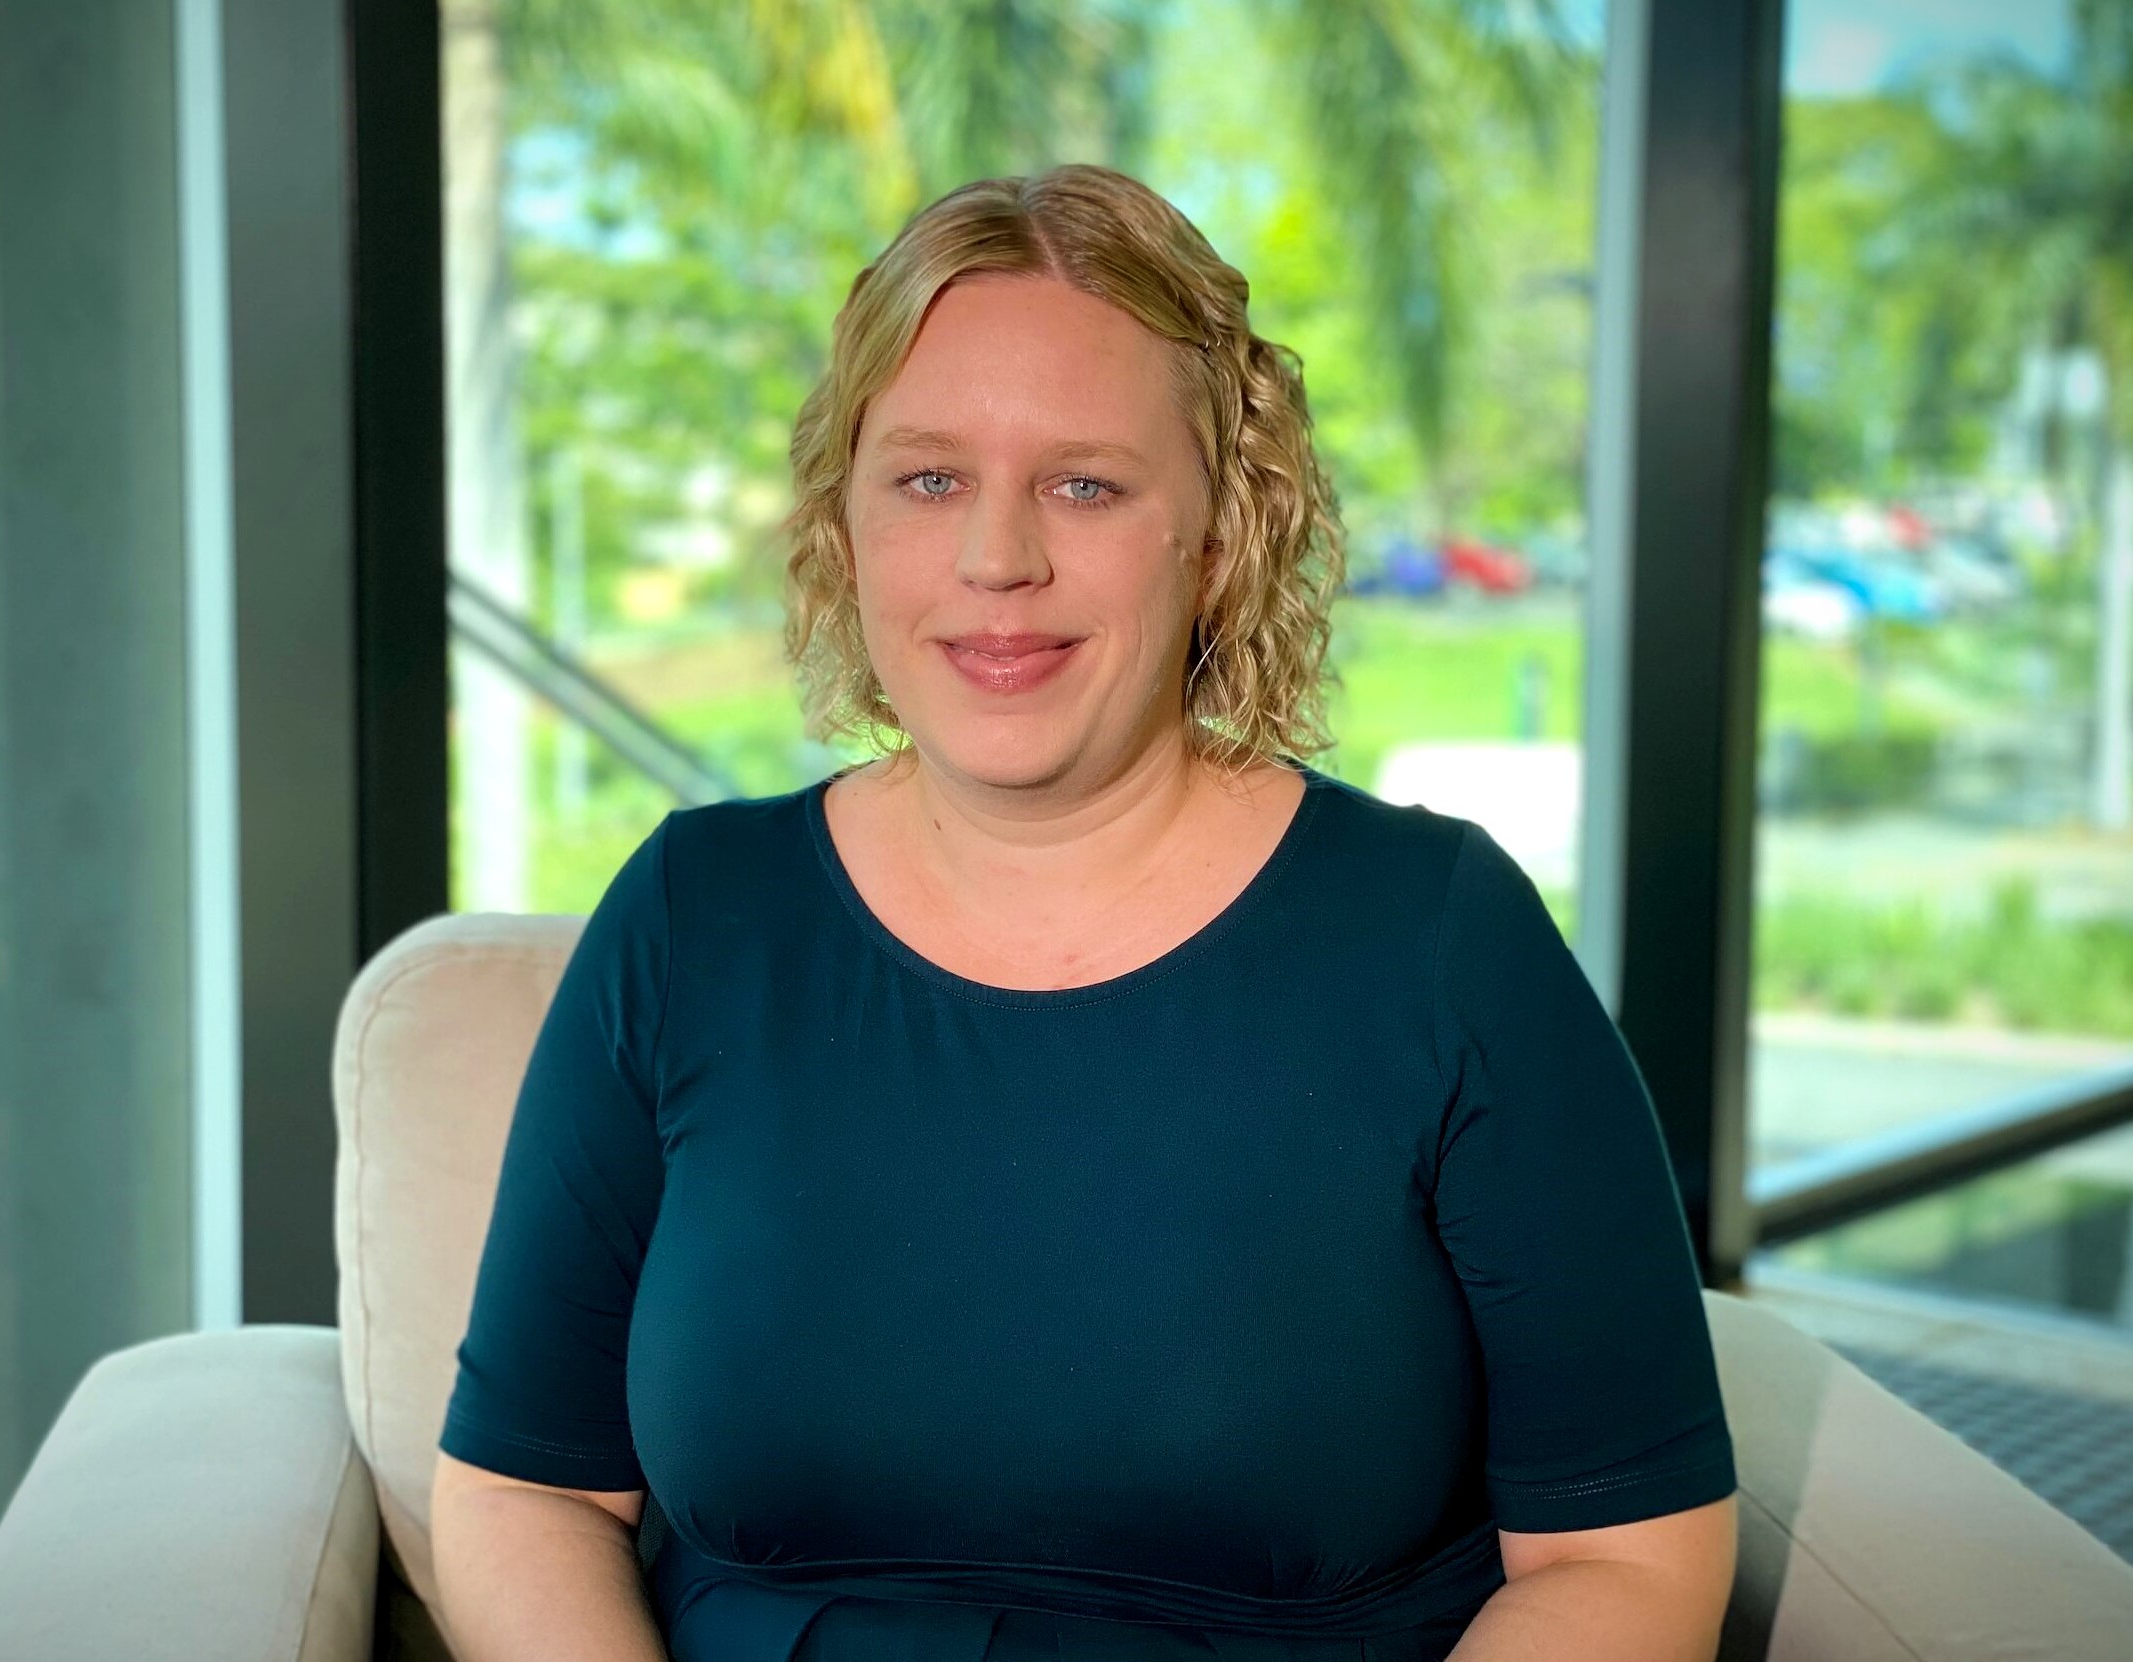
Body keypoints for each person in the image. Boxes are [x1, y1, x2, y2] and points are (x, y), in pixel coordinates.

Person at [428, 162, 1739, 1662]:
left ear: (1222, 530)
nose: (1000, 559)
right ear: (846, 524)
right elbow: (524, 1488)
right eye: (929, 478)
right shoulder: (689, 917)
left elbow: (1624, 1562)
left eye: (1085, 483)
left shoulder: (1442, 943)